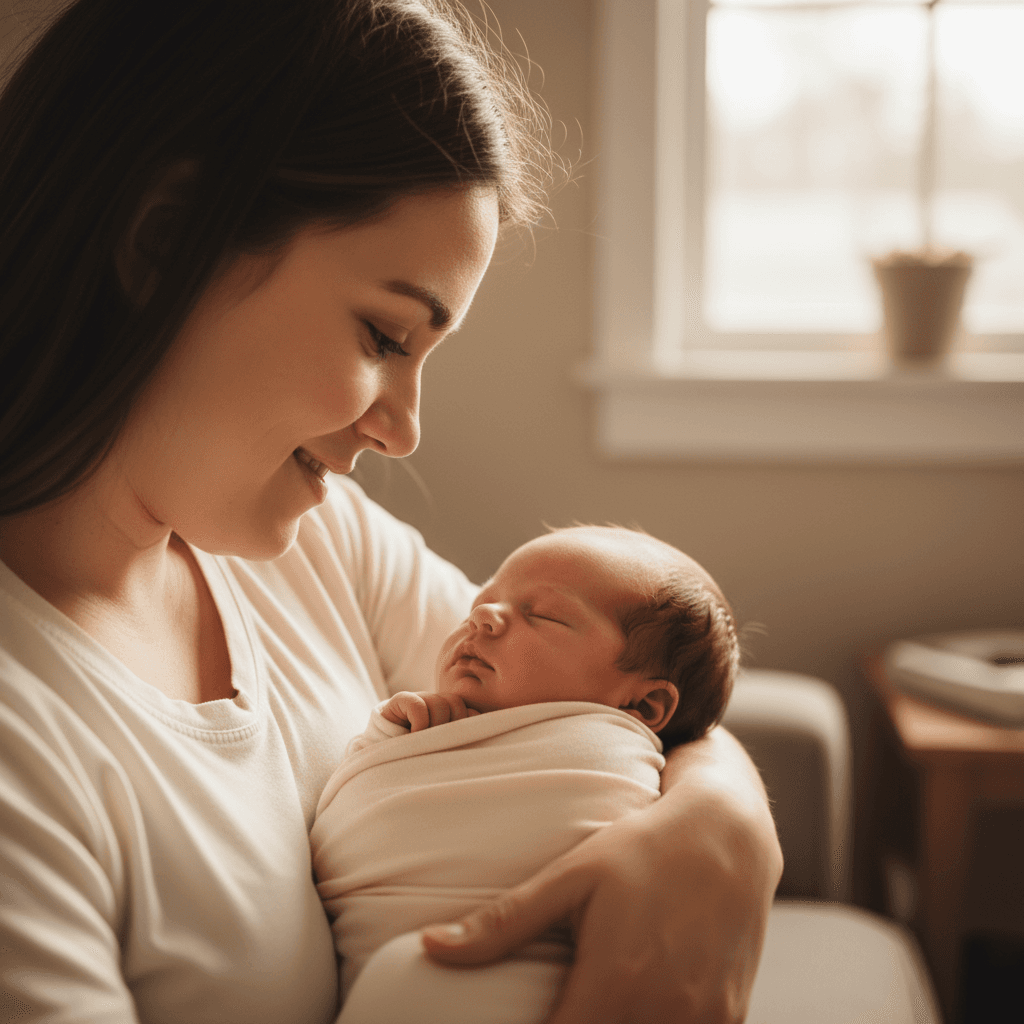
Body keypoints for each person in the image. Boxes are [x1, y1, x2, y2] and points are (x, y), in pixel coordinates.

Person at [0, 2, 782, 1023]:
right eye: (383, 333)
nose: (402, 429)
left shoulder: (311, 537)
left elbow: (618, 687)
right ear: (164, 242)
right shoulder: (30, 736)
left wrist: (723, 822)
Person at [310, 525, 741, 1023]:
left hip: (551, 984)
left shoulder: (624, 755)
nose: (483, 616)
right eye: (482, 599)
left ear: (644, 704)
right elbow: (350, 822)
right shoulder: (425, 727)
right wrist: (392, 736)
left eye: (544, 615)